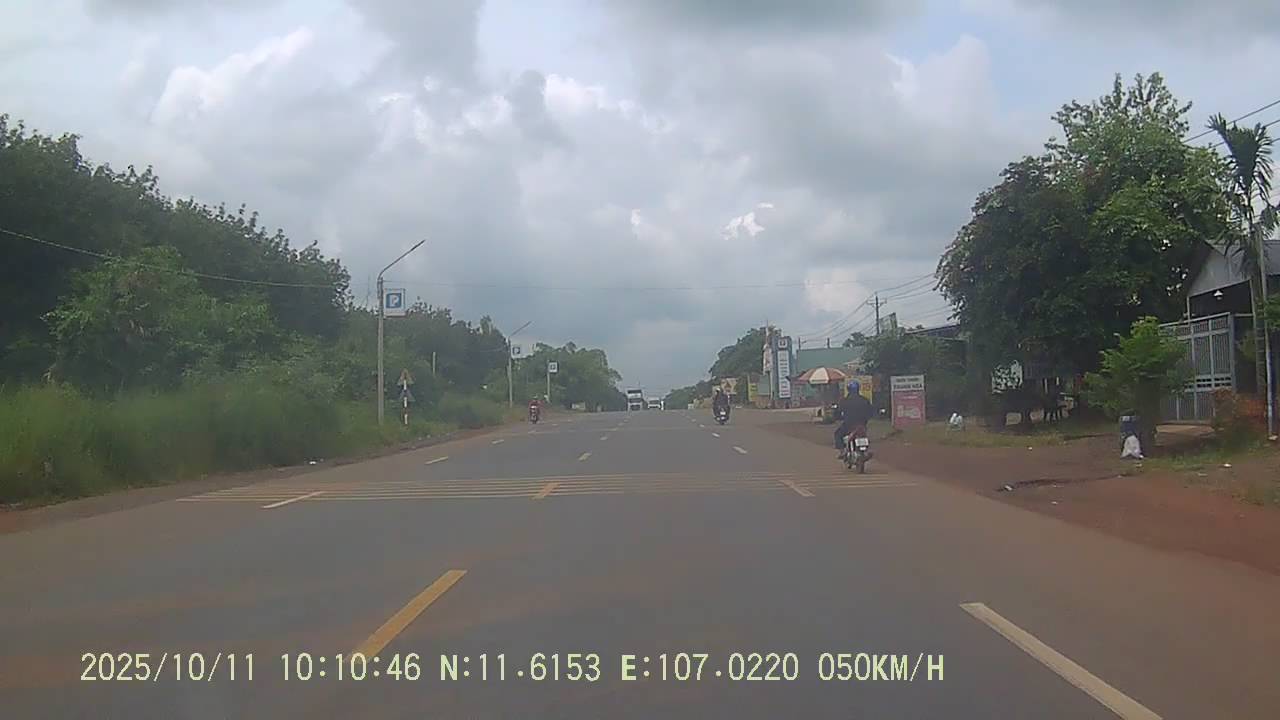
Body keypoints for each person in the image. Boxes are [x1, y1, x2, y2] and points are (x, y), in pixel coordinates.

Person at [834, 380, 873, 455]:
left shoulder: (844, 401)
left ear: (848, 390)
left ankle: (842, 451)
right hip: (862, 425)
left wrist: (837, 417)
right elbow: (871, 412)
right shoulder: (864, 400)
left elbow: (838, 413)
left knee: (837, 434)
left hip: (848, 425)